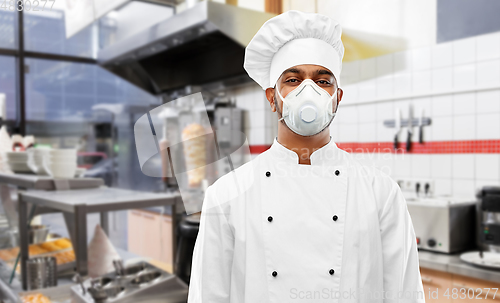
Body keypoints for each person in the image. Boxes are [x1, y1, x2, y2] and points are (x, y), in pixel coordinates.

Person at [187, 10, 425, 303]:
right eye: (293, 79)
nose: (308, 91)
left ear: (337, 98)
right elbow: (208, 296)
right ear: (272, 97)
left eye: (323, 81)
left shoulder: (381, 194)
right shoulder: (226, 196)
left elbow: (404, 295)